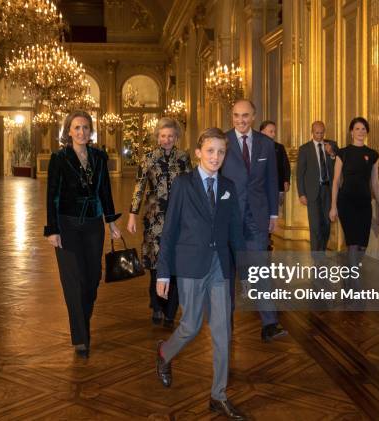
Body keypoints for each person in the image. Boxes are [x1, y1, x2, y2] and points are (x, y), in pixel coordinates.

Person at [155, 128, 247, 420]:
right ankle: (164, 354)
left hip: (220, 265)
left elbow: (235, 232)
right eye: (210, 151)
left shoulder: (229, 186)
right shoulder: (183, 184)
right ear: (198, 152)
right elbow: (168, 232)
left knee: (223, 332)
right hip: (191, 265)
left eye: (221, 152)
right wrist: (163, 273)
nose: (215, 157)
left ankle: (218, 396)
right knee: (191, 326)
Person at [44, 110, 122, 359]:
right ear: (68, 131)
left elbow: (106, 192)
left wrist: (111, 222)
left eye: (86, 128)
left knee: (92, 278)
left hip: (93, 225)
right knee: (72, 281)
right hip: (67, 225)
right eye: (77, 128)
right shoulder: (59, 158)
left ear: (91, 131)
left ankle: (82, 318)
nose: (81, 132)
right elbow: (52, 196)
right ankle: (81, 337)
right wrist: (52, 229)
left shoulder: (100, 157)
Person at [221, 99, 287, 342]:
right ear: (232, 116)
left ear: (254, 116)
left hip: (257, 217)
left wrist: (273, 215)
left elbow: (272, 180)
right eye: (237, 115)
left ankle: (270, 324)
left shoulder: (266, 144)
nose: (241, 120)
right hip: (228, 217)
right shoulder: (222, 142)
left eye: (245, 115)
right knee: (227, 273)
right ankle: (225, 325)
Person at [127, 117, 192, 328]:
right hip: (154, 219)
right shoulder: (148, 158)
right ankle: (156, 305)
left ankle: (171, 311)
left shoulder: (183, 158)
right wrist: (132, 215)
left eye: (171, 136)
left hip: (180, 218)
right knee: (156, 265)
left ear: (176, 137)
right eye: (163, 136)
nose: (166, 140)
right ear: (157, 136)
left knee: (176, 264)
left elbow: (191, 187)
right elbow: (139, 188)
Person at [329, 117, 379, 265]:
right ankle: (354, 279)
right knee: (353, 242)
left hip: (364, 203)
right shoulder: (343, 153)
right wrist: (333, 206)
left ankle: (351, 271)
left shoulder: (372, 154)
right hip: (346, 202)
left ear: (367, 132)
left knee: (362, 243)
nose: (361, 131)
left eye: (364, 129)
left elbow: (375, 183)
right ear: (351, 132)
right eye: (357, 128)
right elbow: (335, 181)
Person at [296, 121, 338, 252]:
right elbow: (300, 173)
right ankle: (316, 257)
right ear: (312, 132)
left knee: (326, 224)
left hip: (328, 190)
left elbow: (338, 166)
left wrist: (331, 154)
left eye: (322, 133)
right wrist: (301, 193)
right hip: (312, 192)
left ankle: (322, 251)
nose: (319, 136)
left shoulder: (332, 145)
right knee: (315, 225)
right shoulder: (304, 149)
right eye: (317, 133)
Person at [259, 120, 290, 199]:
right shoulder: (255, 147)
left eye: (274, 131)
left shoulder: (279, 147)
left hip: (278, 186)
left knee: (277, 210)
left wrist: (286, 181)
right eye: (271, 131)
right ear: (262, 132)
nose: (274, 134)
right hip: (260, 188)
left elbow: (285, 165)